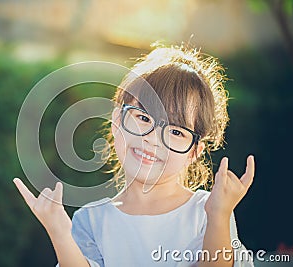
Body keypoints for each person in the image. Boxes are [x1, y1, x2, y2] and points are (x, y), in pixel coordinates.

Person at [13, 43, 255, 267]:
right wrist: (59, 232)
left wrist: (219, 216)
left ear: (194, 151)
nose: (152, 139)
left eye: (175, 131)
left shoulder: (207, 211)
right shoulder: (91, 219)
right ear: (116, 120)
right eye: (143, 118)